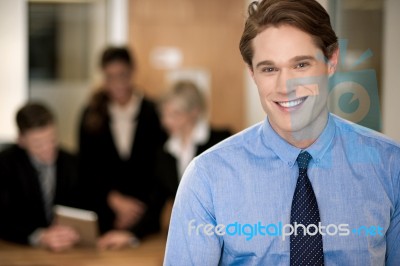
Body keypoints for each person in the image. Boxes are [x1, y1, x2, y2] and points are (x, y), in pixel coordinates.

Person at [164, 0, 400, 265]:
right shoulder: (207, 177)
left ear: (331, 60)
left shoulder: (390, 166)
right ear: (252, 73)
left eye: (301, 65)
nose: (286, 86)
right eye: (269, 69)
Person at [78, 47, 167, 250]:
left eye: (122, 75)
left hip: (144, 223)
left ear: (132, 71)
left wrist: (135, 213)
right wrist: (114, 200)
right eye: (109, 77)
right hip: (104, 220)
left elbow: (161, 172)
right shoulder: (91, 114)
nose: (116, 83)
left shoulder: (153, 113)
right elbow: (85, 168)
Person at [0, 103, 80, 252]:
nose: (48, 149)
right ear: (21, 140)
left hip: (69, 252)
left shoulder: (72, 162)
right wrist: (39, 236)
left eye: (52, 140)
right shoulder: (5, 165)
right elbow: (4, 218)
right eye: (38, 144)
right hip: (19, 252)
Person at [157, 81, 231, 200]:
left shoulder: (222, 142)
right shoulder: (164, 149)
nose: (166, 121)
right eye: (164, 115)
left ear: (194, 111)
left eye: (175, 114)